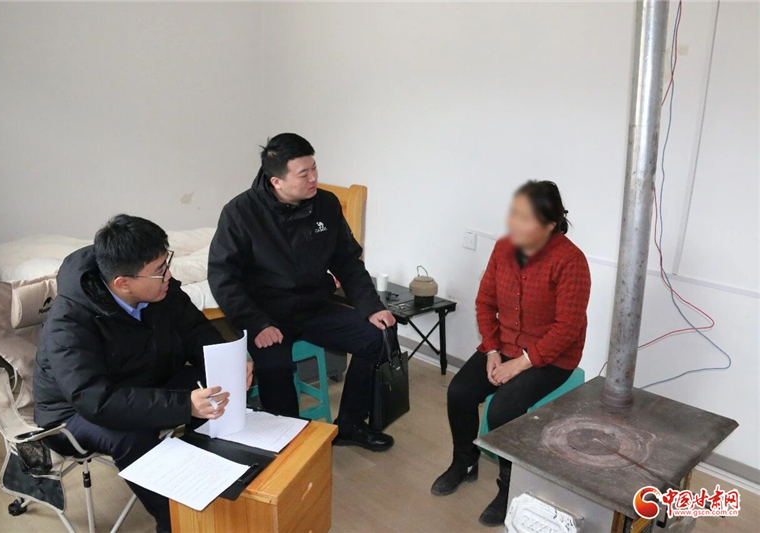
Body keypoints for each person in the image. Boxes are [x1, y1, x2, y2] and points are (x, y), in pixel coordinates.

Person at [33, 215, 252, 533]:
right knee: (132, 436)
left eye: (166, 263)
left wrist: (227, 364)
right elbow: (95, 400)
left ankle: (218, 483)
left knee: (217, 386)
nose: (168, 275)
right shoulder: (69, 322)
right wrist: (184, 405)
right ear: (123, 283)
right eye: (160, 270)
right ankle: (174, 521)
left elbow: (196, 331)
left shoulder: (159, 289)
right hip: (74, 412)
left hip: (142, 382)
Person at [208, 133, 397, 452]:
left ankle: (350, 424)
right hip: (266, 314)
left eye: (314, 168)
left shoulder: (326, 204)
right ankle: (288, 440)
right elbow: (222, 276)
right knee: (275, 367)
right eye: (303, 173)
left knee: (378, 337)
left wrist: (372, 307)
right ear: (276, 181)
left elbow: (348, 262)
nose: (313, 178)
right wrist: (256, 323)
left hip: (314, 306)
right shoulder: (241, 212)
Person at [430, 181, 591, 527]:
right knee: (459, 392)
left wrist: (520, 364)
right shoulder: (504, 248)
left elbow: (567, 328)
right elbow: (485, 302)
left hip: (552, 355)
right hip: (503, 344)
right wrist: (491, 350)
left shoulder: (570, 261)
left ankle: (510, 485)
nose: (515, 224)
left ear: (550, 224)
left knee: (503, 408)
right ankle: (464, 462)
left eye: (526, 218)